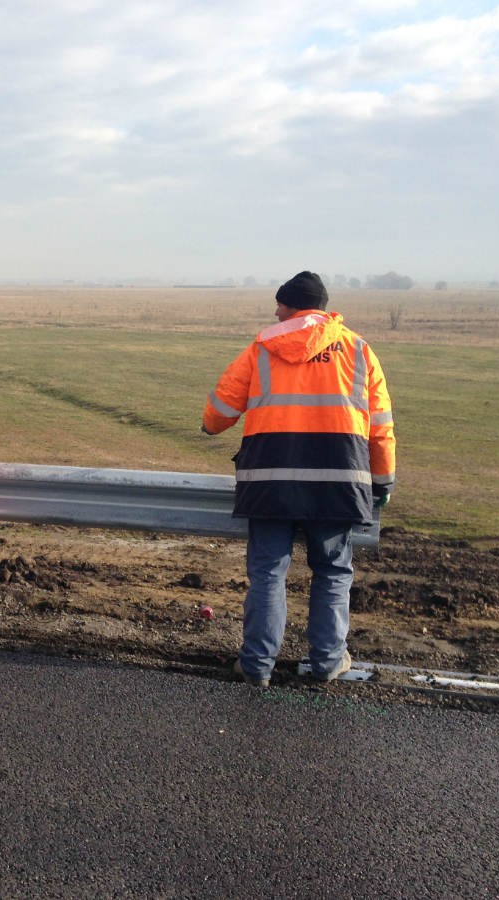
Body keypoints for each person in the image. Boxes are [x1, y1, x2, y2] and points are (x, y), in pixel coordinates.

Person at [201, 272, 395, 687]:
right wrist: (383, 481)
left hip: (269, 481)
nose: (275, 312)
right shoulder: (359, 350)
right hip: (339, 481)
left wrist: (210, 423)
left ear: (292, 306)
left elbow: (218, 415)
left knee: (268, 572)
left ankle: (257, 666)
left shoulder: (261, 348)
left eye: (279, 304)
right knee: (333, 572)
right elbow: (380, 427)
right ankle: (328, 663)